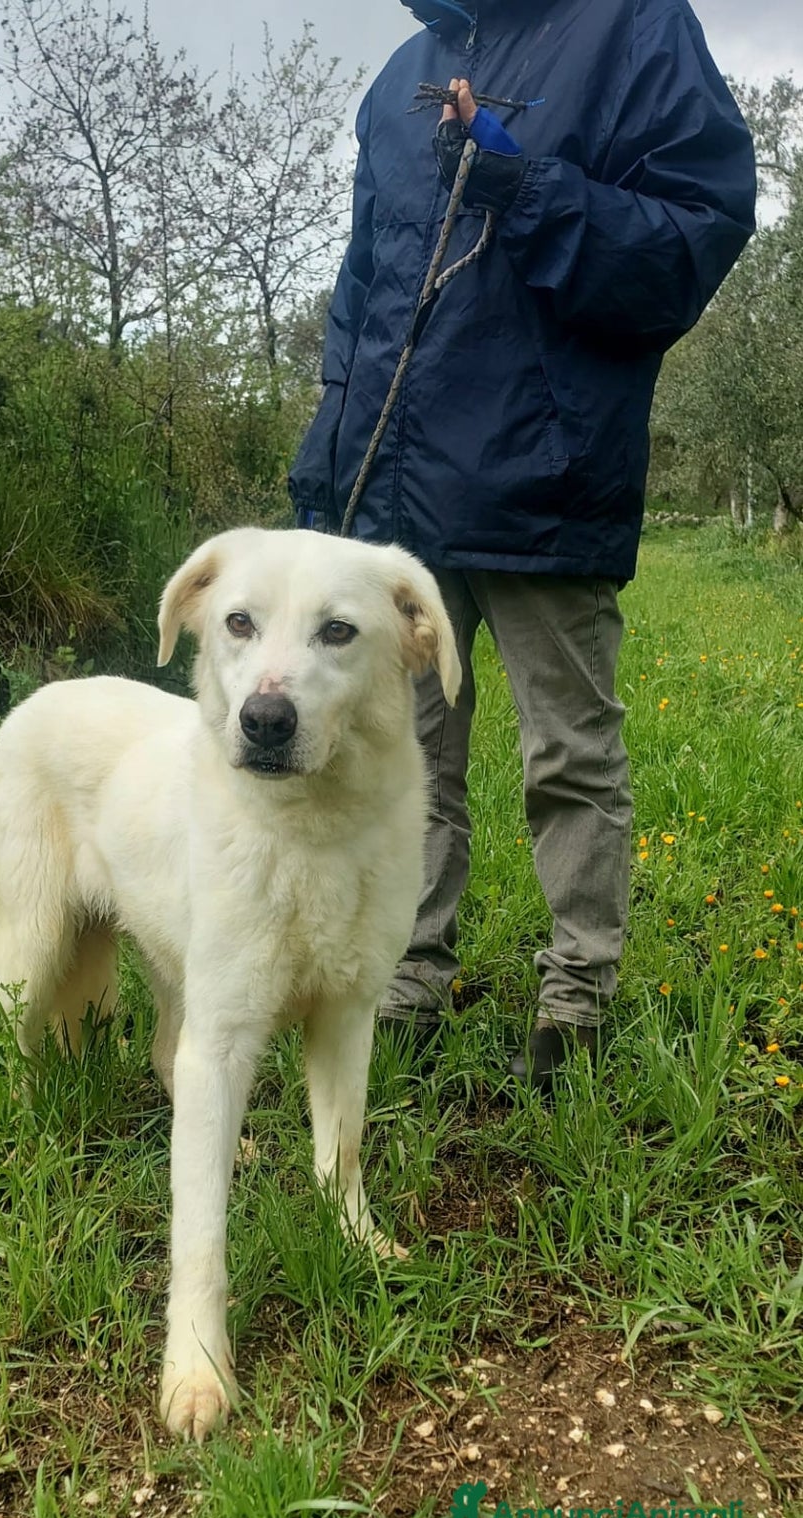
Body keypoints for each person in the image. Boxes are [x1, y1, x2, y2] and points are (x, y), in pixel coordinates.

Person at [288, 0, 756, 1091]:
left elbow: (694, 237)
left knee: (571, 755)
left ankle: (577, 996)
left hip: (548, 474)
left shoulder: (632, 27)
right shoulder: (403, 76)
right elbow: (363, 298)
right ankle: (409, 976)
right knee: (405, 758)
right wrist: (328, 457)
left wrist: (526, 188)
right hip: (399, 498)